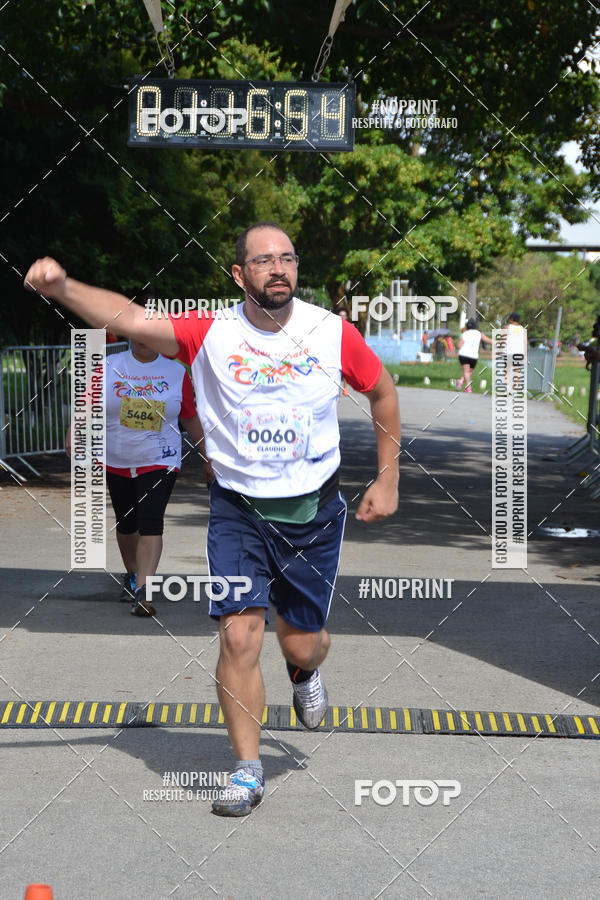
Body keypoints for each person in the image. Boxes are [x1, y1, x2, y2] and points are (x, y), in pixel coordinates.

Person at [25, 221, 400, 817]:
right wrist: (63, 287)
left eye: (287, 258)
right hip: (238, 510)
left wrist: (387, 476)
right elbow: (129, 319)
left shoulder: (330, 332)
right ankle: (247, 770)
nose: (278, 268)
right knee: (238, 635)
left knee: (303, 643)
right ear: (239, 273)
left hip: (312, 513)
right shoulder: (210, 333)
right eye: (264, 260)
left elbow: (383, 391)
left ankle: (303, 673)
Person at [66, 338, 206, 615]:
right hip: (116, 458)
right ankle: (132, 575)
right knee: (127, 523)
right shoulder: (109, 366)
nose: (143, 340)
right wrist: (74, 430)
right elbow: (86, 404)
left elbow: (189, 416)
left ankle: (144, 590)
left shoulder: (176, 372)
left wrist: (208, 455)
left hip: (160, 459)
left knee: (151, 521)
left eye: (149, 335)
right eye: (137, 335)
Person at [457, 318, 492, 392]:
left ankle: (461, 381)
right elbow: (487, 340)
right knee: (469, 372)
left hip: (464, 354)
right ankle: (468, 388)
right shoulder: (479, 333)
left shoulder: (465, 333)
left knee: (467, 372)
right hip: (474, 356)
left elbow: (459, 345)